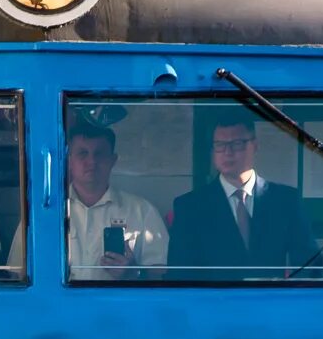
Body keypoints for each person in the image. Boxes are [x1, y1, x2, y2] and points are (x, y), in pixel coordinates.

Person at [167, 113, 307, 270]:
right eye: (220, 144)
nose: (228, 152)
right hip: (215, 295)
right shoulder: (190, 207)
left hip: (269, 294)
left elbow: (308, 265)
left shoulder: (285, 200)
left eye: (237, 143)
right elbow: (180, 275)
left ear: (254, 146)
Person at [64, 120, 166, 277]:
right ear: (69, 160)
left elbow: (164, 277)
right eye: (83, 153)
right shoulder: (47, 214)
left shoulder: (143, 211)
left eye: (99, 154)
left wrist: (134, 274)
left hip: (119, 302)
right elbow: (21, 273)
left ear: (113, 160)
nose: (91, 161)